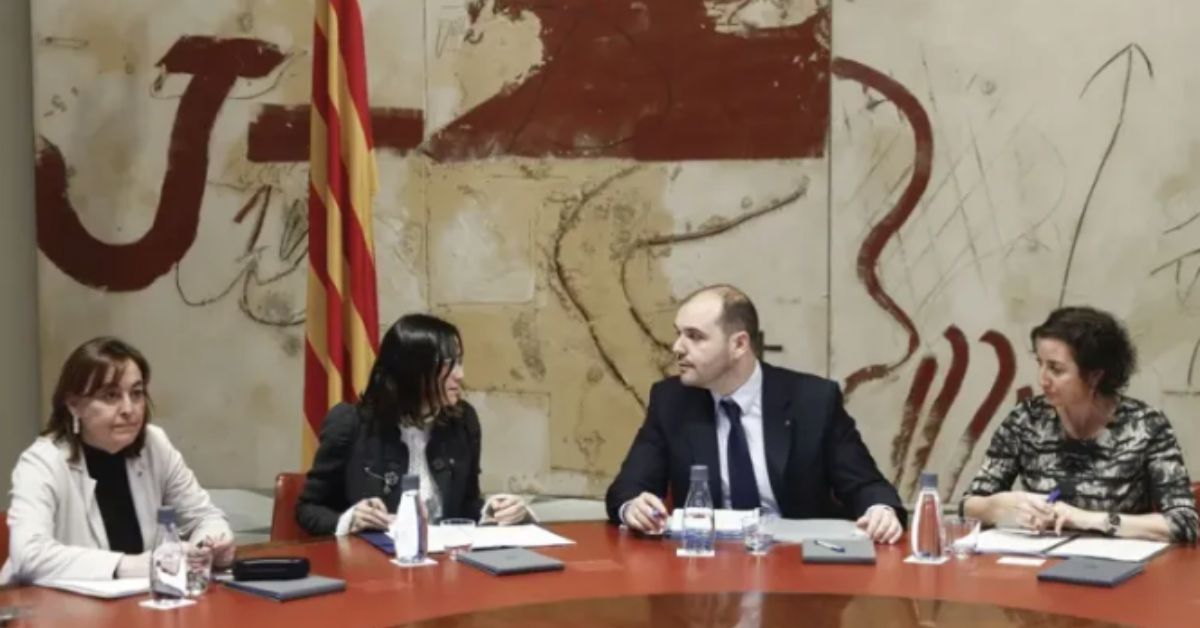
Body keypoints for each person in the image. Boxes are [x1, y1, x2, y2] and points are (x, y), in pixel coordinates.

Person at [605, 285, 906, 543]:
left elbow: (866, 485)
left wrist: (880, 511)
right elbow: (627, 488)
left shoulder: (813, 401)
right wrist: (633, 506)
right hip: (706, 563)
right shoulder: (672, 401)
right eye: (678, 334)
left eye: (695, 336)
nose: (677, 348)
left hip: (796, 564)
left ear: (739, 344)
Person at [1, 338, 234, 585]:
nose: (128, 409)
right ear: (74, 405)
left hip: (138, 602)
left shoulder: (154, 445)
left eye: (136, 393)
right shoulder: (42, 462)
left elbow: (203, 517)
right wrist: (132, 565)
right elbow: (29, 555)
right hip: (47, 604)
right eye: (111, 395)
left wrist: (208, 546)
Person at [963, 306, 1199, 543]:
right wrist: (998, 507)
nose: (1042, 380)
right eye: (1040, 364)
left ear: (1095, 376)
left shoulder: (1145, 426)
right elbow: (968, 505)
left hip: (1121, 560)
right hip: (1041, 556)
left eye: (1056, 369)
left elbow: (1184, 523)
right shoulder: (1027, 419)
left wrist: (1088, 519)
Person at [297, 313, 533, 536]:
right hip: (373, 559)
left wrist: (494, 511)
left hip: (444, 559)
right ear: (414, 370)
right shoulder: (350, 423)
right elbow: (308, 509)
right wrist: (349, 519)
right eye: (449, 364)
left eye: (460, 362)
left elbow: (465, 503)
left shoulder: (462, 420)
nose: (460, 375)